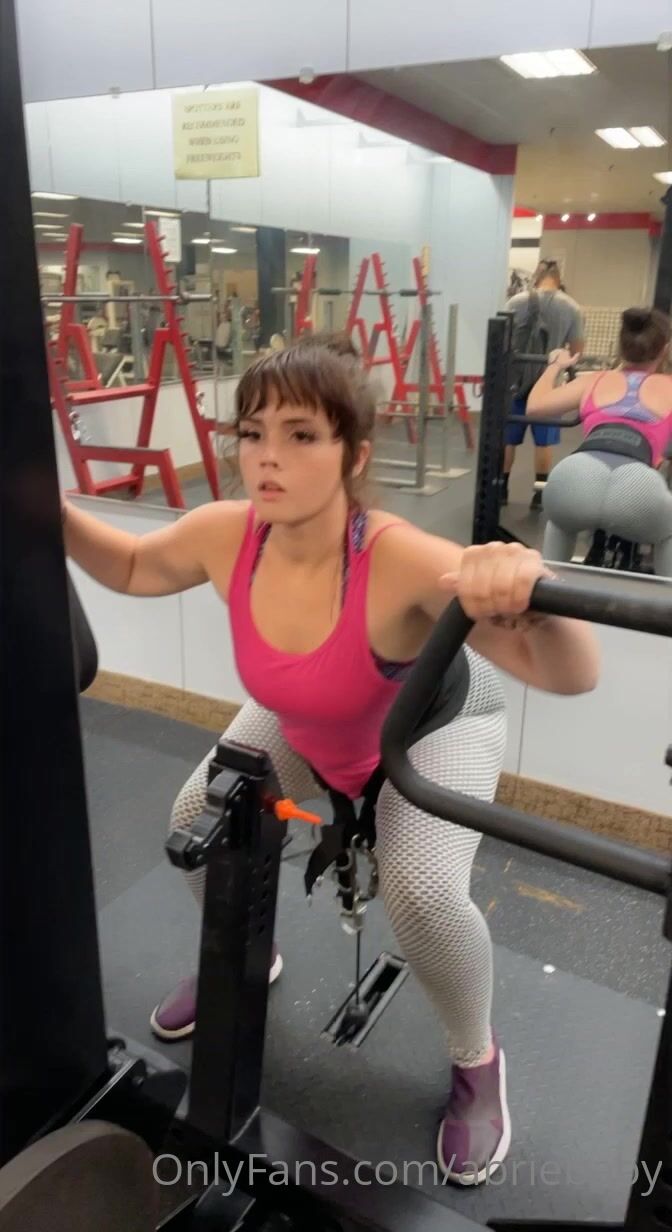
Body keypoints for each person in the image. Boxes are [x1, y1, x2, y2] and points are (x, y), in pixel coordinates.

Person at [62, 337, 599, 1186]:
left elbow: (572, 676)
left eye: (302, 434)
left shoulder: (400, 557)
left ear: (354, 454)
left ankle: (477, 1059)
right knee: (200, 822)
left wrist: (533, 600)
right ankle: (249, 960)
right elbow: (130, 564)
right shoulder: (227, 534)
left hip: (432, 725)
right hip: (313, 714)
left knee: (421, 894)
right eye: (252, 433)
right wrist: (45, 506)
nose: (267, 457)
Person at [526, 307, 672, 574]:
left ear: (621, 345)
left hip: (576, 474)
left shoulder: (595, 380)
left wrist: (555, 366)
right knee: (668, 532)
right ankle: (665, 597)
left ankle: (548, 587)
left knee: (560, 522)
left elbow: (534, 407)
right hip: (638, 485)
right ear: (664, 349)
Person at [502, 259, 584, 511]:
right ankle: (539, 495)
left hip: (514, 383)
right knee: (544, 442)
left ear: (536, 278)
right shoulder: (571, 307)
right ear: (559, 279)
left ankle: (501, 489)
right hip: (548, 385)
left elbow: (501, 342)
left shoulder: (514, 302)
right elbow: (577, 351)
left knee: (508, 440)